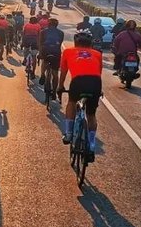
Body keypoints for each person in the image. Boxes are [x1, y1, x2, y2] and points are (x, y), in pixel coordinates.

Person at [57, 30, 103, 158]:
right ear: (90, 43)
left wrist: (60, 87)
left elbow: (64, 72)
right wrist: (99, 91)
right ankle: (92, 143)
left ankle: (69, 133)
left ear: (75, 42)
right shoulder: (97, 54)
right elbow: (98, 73)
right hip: (95, 83)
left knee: (71, 103)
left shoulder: (67, 51)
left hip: (78, 81)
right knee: (91, 114)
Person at [39, 16, 64, 95]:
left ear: (48, 24)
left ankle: (43, 74)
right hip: (56, 52)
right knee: (55, 73)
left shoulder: (43, 32)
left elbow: (41, 43)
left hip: (46, 50)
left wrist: (40, 53)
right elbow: (59, 44)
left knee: (44, 61)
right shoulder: (61, 33)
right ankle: (54, 92)